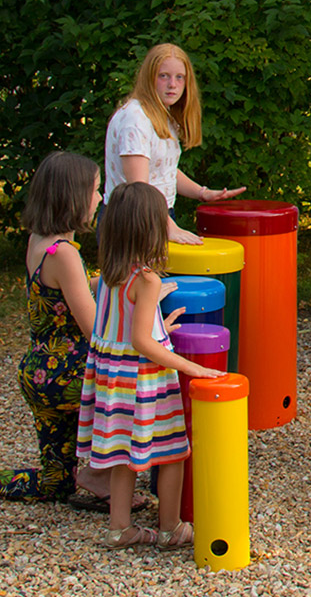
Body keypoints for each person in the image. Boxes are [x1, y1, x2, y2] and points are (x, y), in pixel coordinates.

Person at [76, 182, 225, 549]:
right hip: (143, 381)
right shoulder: (146, 280)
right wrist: (192, 367)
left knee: (123, 455)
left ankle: (120, 529)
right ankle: (170, 527)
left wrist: (162, 326)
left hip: (113, 381)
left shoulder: (110, 276)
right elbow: (141, 341)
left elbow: (122, 328)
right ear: (152, 230)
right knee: (173, 452)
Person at [0, 152, 115, 505]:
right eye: (95, 190)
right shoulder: (64, 252)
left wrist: (110, 280)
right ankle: (100, 475)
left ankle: (76, 476)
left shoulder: (40, 241)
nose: (100, 198)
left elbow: (62, 291)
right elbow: (93, 328)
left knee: (56, 485)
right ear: (73, 196)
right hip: (67, 376)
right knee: (129, 380)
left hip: (38, 373)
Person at [104, 43, 246, 245]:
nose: (172, 84)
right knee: (141, 279)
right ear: (148, 77)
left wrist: (202, 193)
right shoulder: (135, 119)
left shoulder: (163, 114)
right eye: (163, 76)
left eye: (179, 77)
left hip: (156, 217)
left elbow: (163, 169)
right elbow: (139, 188)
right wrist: (169, 226)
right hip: (130, 222)